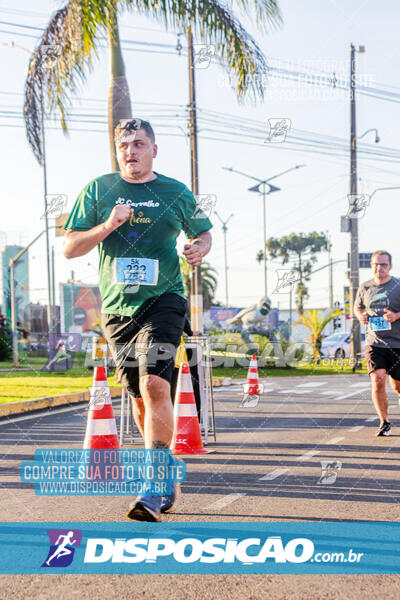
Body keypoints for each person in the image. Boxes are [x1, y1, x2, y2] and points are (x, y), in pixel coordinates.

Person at [63, 118, 212, 520]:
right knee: (138, 395)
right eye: (124, 145)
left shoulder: (174, 191)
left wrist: (199, 248)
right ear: (118, 151)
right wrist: (109, 224)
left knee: (154, 384)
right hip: (117, 309)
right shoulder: (99, 190)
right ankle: (164, 473)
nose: (131, 151)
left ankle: (154, 484)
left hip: (164, 299)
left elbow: (203, 233)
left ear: (154, 150)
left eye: (140, 143)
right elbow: (70, 248)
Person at [354, 250, 400, 436]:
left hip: (397, 344)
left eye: (383, 264)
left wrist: (396, 315)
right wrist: (361, 316)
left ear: (390, 266)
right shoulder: (365, 287)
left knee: (397, 385)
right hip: (374, 343)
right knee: (377, 380)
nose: (379, 268)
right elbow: (357, 307)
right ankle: (384, 422)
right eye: (375, 264)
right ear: (371, 265)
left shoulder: (397, 285)